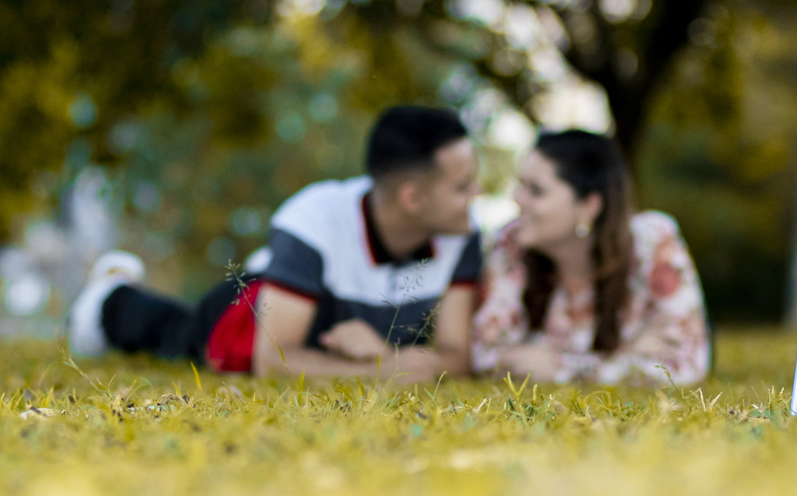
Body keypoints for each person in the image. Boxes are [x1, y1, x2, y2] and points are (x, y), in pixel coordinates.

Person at [69, 105, 483, 381]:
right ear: (412, 198)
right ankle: (110, 296)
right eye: (463, 186)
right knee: (179, 336)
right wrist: (385, 368)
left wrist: (385, 357)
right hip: (247, 313)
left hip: (308, 312)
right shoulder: (314, 218)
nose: (477, 194)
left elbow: (457, 358)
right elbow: (275, 362)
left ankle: (280, 276)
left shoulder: (460, 233)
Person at [472, 130, 710, 385]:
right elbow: (486, 356)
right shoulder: (512, 244)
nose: (518, 199)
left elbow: (687, 362)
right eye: (521, 186)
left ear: (589, 205)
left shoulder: (652, 241)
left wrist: (564, 369)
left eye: (537, 191)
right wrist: (627, 357)